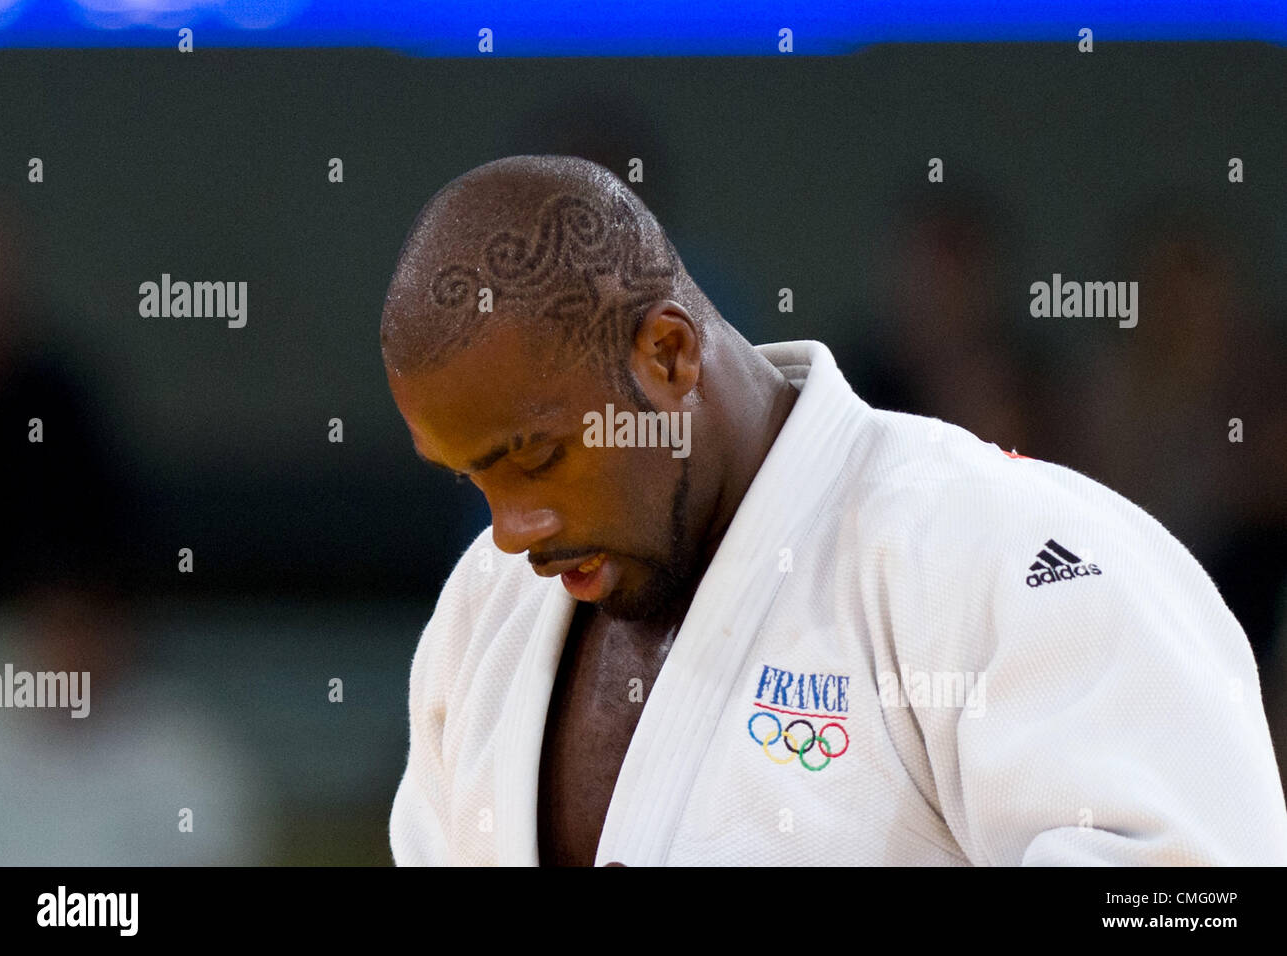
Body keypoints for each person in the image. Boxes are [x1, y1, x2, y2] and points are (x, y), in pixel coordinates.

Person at [380, 155, 1287, 866]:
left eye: (536, 457)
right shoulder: (484, 610)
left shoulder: (994, 549)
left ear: (665, 356)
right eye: (471, 477)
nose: (511, 530)